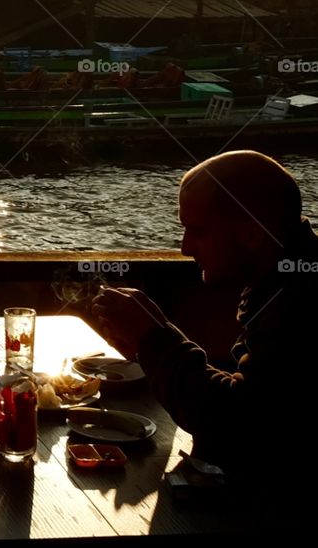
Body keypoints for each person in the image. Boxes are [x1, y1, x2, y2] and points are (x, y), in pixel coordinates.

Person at [94, 150, 318, 490]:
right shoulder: (282, 280)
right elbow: (261, 394)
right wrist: (149, 348)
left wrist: (155, 340)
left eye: (197, 231)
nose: (185, 248)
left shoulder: (301, 301)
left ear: (252, 234)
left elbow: (240, 425)